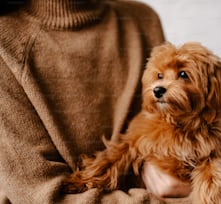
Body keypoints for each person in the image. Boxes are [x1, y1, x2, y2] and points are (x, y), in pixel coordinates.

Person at [0, 0, 192, 203]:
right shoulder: (6, 42)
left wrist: (194, 184)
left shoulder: (143, 20)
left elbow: (181, 134)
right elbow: (41, 196)